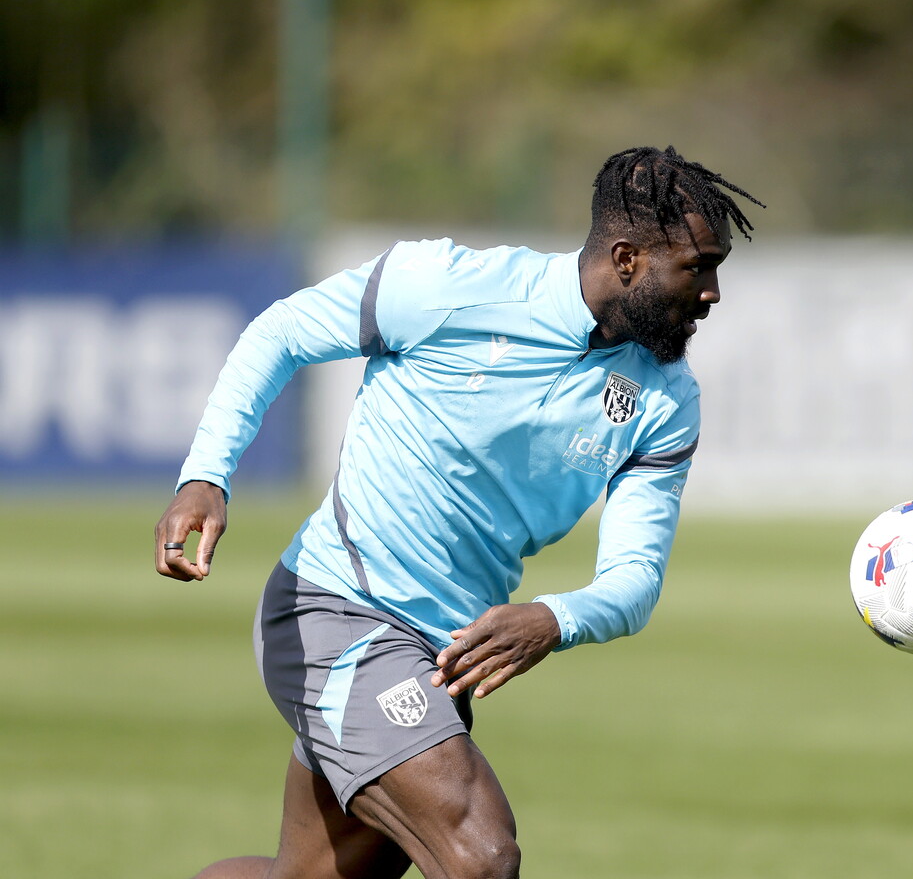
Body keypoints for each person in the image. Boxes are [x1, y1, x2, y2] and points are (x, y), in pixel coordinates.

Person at [153, 145, 763, 879]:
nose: (713, 293)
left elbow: (634, 578)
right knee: (481, 854)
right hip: (334, 613)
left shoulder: (665, 401)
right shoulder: (448, 285)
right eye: (699, 266)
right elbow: (278, 334)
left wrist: (554, 618)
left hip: (438, 659)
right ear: (628, 259)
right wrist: (206, 475)